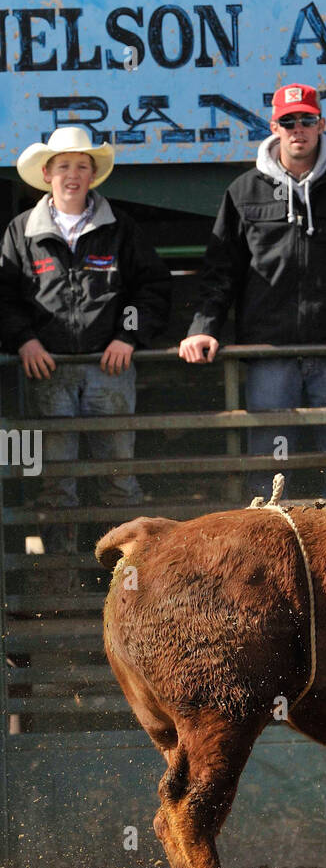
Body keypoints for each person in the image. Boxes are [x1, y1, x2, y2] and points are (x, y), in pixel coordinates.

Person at [179, 83, 326, 500]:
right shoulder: (243, 192)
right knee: (269, 473)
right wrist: (204, 326)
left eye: (306, 120)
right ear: (274, 126)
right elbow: (221, 269)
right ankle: (272, 556)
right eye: (289, 121)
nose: (299, 129)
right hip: (268, 353)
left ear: (321, 124)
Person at [0, 125, 170, 571]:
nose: (72, 175)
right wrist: (24, 340)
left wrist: (127, 335)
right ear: (47, 173)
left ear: (93, 174)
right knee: (55, 481)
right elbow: (5, 297)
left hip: (109, 370)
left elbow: (151, 287)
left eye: (81, 166)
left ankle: (123, 586)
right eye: (63, 167)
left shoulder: (120, 229)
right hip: (46, 372)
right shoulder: (20, 232)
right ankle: (60, 579)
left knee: (119, 478)